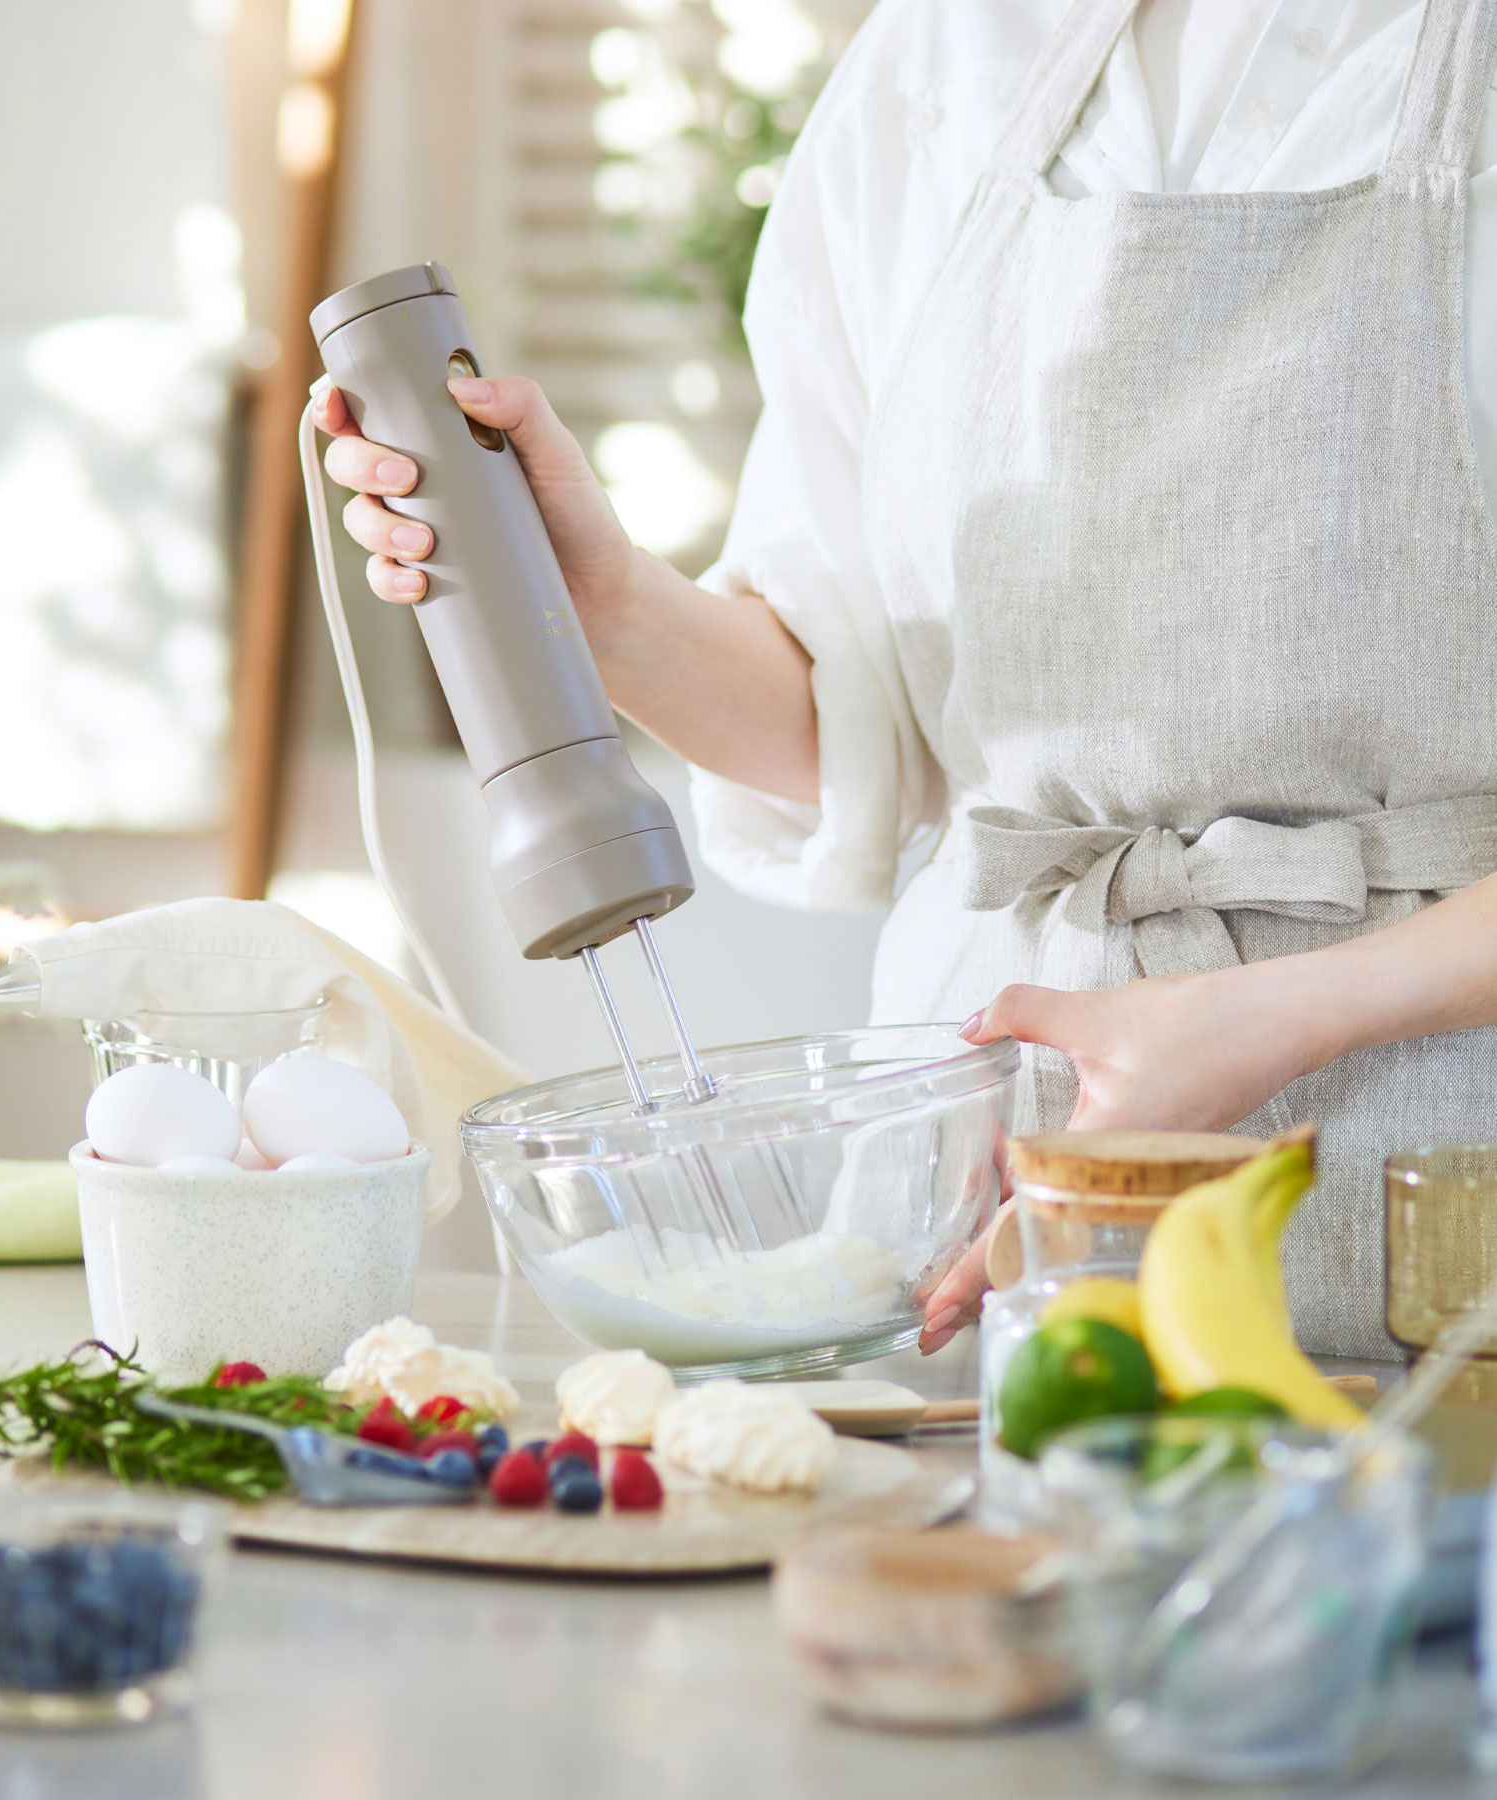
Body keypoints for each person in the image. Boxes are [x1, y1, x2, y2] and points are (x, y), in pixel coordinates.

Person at [318, 0, 1497, 1362]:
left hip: (1447, 1206)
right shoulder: (948, 57)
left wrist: (1282, 1009)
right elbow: (868, 726)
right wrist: (608, 603)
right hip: (989, 1213)